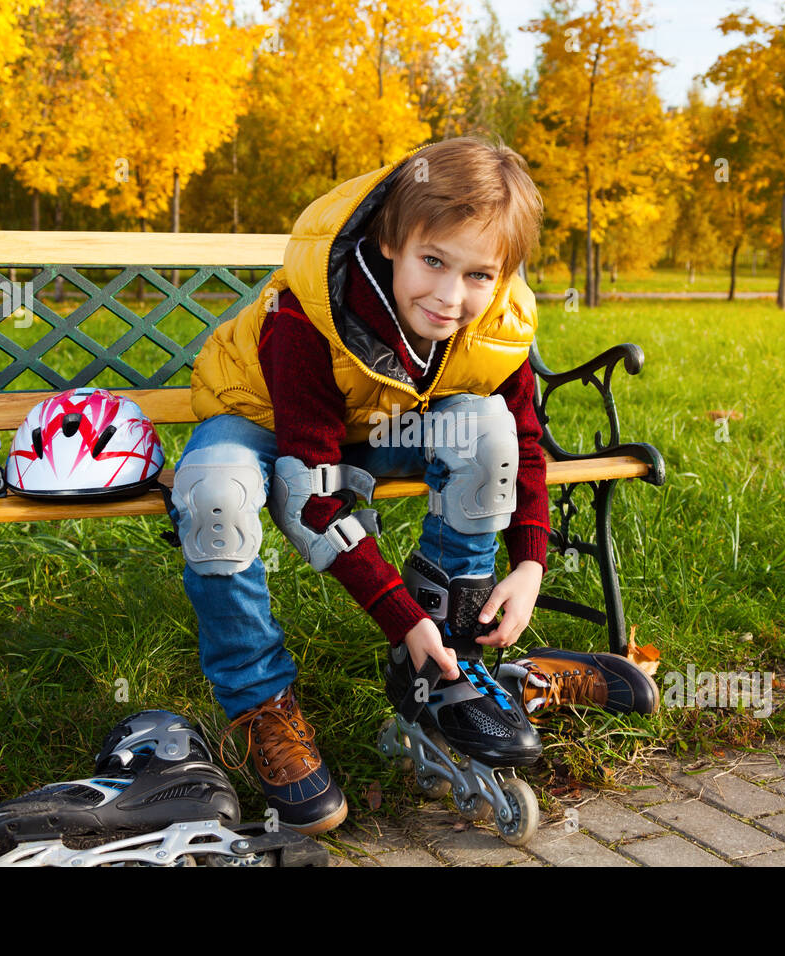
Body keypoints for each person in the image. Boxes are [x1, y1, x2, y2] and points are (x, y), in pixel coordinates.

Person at [173, 136, 654, 836]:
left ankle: (442, 664)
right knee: (214, 496)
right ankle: (262, 705)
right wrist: (398, 610)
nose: (451, 296)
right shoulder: (307, 316)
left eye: (479, 275)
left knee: (484, 426)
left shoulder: (494, 322)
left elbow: (523, 440)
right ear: (392, 239)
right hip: (265, 420)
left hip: (381, 425)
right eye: (434, 261)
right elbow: (314, 496)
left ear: (507, 273)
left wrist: (529, 561)